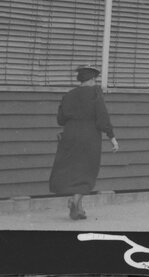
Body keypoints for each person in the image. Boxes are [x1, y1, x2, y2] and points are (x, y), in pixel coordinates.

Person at [48, 65, 118, 220]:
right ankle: (74, 201)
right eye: (95, 80)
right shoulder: (95, 93)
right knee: (87, 171)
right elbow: (102, 117)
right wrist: (111, 136)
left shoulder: (68, 95)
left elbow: (60, 120)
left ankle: (79, 209)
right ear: (92, 79)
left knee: (74, 171)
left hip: (70, 135)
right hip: (89, 136)